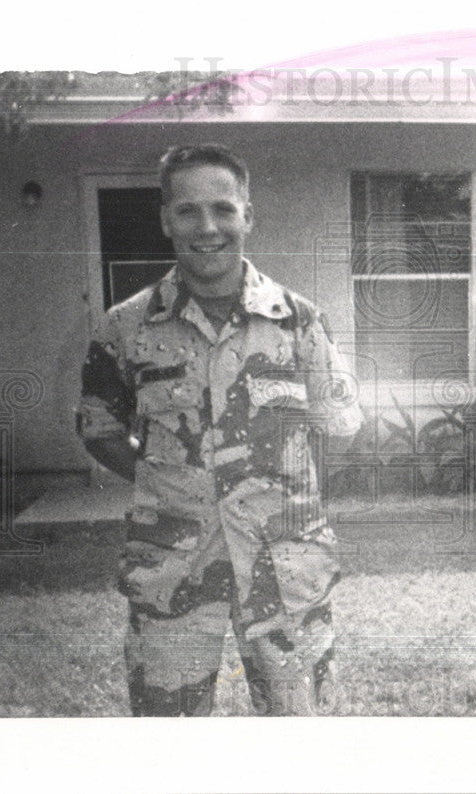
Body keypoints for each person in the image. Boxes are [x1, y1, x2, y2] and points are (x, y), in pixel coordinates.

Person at [76, 143, 363, 716]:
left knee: (301, 739)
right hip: (174, 572)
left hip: (286, 575)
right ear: (166, 219)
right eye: (188, 211)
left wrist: (284, 493)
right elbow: (99, 428)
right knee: (172, 742)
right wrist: (170, 479)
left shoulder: (300, 322)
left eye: (223, 209)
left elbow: (339, 428)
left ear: (247, 217)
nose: (207, 227)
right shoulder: (125, 327)